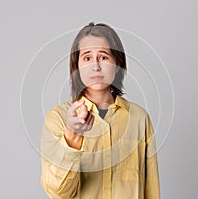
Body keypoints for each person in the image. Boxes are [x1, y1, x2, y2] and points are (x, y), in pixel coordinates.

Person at [40, 22, 160, 199]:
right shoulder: (57, 118)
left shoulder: (139, 118)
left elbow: (151, 191)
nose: (95, 66)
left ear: (117, 62)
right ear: (77, 66)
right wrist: (72, 136)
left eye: (103, 57)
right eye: (87, 58)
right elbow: (58, 192)